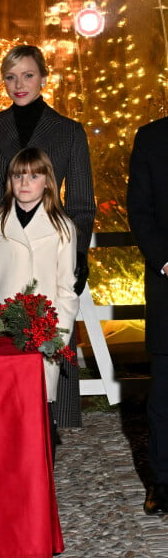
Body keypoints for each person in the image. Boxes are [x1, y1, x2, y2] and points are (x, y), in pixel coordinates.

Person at [0, 44, 95, 428]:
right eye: (10, 76)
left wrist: (74, 256)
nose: (18, 84)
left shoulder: (69, 132)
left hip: (50, 255)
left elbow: (83, 204)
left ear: (43, 77)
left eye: (27, 75)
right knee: (0, 377)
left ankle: (46, 450)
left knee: (48, 364)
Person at [0, 147, 78, 456]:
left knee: (40, 405)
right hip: (4, 329)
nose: (25, 183)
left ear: (48, 181)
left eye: (34, 175)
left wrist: (58, 335)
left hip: (44, 331)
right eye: (18, 175)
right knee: (5, 405)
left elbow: (66, 288)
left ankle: (43, 466)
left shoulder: (62, 228)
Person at [127, 116, 168, 515]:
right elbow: (138, 210)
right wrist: (166, 260)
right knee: (164, 397)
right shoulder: (151, 137)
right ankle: (162, 483)